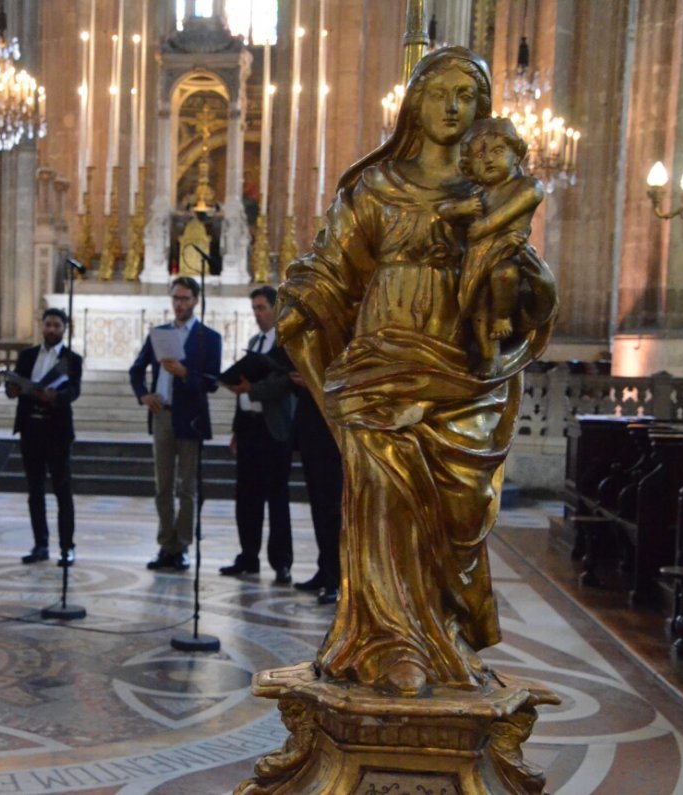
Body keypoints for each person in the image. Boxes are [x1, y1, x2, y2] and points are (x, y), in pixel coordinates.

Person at [275, 47, 557, 698]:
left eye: (468, 96)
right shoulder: (374, 187)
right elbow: (332, 271)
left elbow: (518, 279)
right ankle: (391, 643)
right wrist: (303, 305)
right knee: (385, 500)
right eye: (442, 92)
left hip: (463, 366)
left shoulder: (490, 192)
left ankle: (448, 635)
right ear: (416, 103)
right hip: (382, 361)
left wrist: (527, 288)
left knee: (462, 507)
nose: (454, 106)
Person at [128, 276, 222, 571]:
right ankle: (165, 544)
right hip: (162, 414)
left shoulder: (209, 337)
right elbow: (136, 369)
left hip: (190, 416)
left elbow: (212, 382)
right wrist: (144, 395)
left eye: (184, 299)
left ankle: (182, 546)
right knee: (163, 485)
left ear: (195, 300)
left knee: (187, 487)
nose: (179, 304)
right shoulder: (159, 333)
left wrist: (184, 372)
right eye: (175, 299)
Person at [440, 116, 544, 378]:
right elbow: (444, 212)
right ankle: (488, 354)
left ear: (516, 155)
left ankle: (502, 317)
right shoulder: (478, 195)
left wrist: (485, 225)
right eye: (478, 155)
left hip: (508, 252)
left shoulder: (527, 186)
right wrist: (460, 209)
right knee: (477, 303)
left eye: (498, 151)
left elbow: (514, 208)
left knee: (504, 276)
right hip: (477, 256)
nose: (488, 159)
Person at [219, 286, 295, 585]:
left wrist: (253, 390)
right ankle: (248, 555)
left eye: (262, 308)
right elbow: (244, 384)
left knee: (277, 497)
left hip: (274, 428)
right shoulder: (254, 342)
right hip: (249, 426)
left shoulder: (287, 342)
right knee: (246, 495)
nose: (257, 314)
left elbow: (285, 383)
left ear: (276, 309)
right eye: (254, 309)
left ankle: (281, 562)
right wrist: (236, 430)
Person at [5, 308, 83, 566]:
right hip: (31, 428)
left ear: (64, 328)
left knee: (62, 490)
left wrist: (56, 397)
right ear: (42, 326)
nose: (51, 329)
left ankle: (67, 547)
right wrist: (14, 389)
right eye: (48, 324)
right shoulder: (27, 355)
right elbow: (13, 386)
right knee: (34, 489)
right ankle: (40, 544)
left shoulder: (72, 359)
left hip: (57, 430)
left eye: (56, 325)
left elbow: (74, 391)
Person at [290, 378, 343, 606]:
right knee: (319, 507)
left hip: (331, 433)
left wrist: (315, 381)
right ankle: (324, 570)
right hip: (309, 430)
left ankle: (338, 578)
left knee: (332, 508)